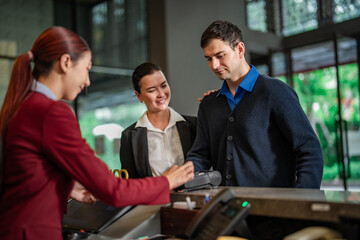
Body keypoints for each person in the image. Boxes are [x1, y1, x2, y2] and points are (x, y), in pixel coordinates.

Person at [0, 26, 194, 240]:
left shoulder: (24, 105)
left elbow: (27, 176)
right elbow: (112, 189)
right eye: (86, 69)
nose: (87, 82)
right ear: (66, 63)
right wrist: (167, 182)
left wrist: (67, 187)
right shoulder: (52, 112)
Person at [186, 20, 323, 189]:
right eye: (209, 58)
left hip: (273, 208)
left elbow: (309, 150)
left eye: (220, 56)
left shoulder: (276, 92)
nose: (214, 65)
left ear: (240, 49)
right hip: (225, 208)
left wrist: (301, 200)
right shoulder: (209, 104)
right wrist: (179, 179)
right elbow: (200, 155)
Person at [120, 62, 197, 178]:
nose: (161, 94)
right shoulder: (130, 136)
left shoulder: (194, 125)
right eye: (152, 90)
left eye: (164, 85)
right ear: (139, 96)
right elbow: (131, 184)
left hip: (193, 196)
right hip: (155, 196)